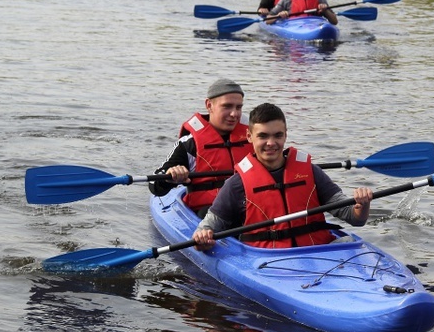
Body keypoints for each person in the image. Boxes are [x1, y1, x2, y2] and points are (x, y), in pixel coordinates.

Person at [192, 103, 373, 250]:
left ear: (285, 135)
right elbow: (206, 228)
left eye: (277, 135)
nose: (271, 143)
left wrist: (362, 206)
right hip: (267, 261)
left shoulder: (311, 172)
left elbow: (355, 219)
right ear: (249, 136)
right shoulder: (237, 184)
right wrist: (203, 240)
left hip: (318, 252)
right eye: (263, 136)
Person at [149, 79, 252, 218]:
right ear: (209, 105)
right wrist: (170, 176)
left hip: (250, 207)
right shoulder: (189, 145)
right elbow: (154, 185)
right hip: (210, 213)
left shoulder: (254, 139)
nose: (234, 114)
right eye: (227, 106)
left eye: (238, 107)